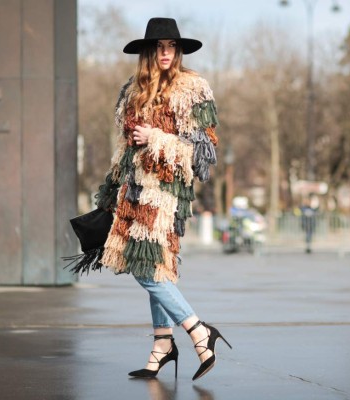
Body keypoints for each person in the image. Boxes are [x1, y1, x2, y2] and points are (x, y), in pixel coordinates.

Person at [94, 17, 231, 381]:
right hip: (133, 189)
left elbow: (204, 152)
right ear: (147, 51)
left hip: (166, 192)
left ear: (179, 49)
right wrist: (110, 191)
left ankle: (199, 332)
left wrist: (156, 136)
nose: (166, 52)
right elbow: (125, 147)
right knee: (157, 267)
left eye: (171, 45)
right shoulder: (131, 91)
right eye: (158, 46)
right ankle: (162, 345)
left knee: (145, 267)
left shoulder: (193, 88)